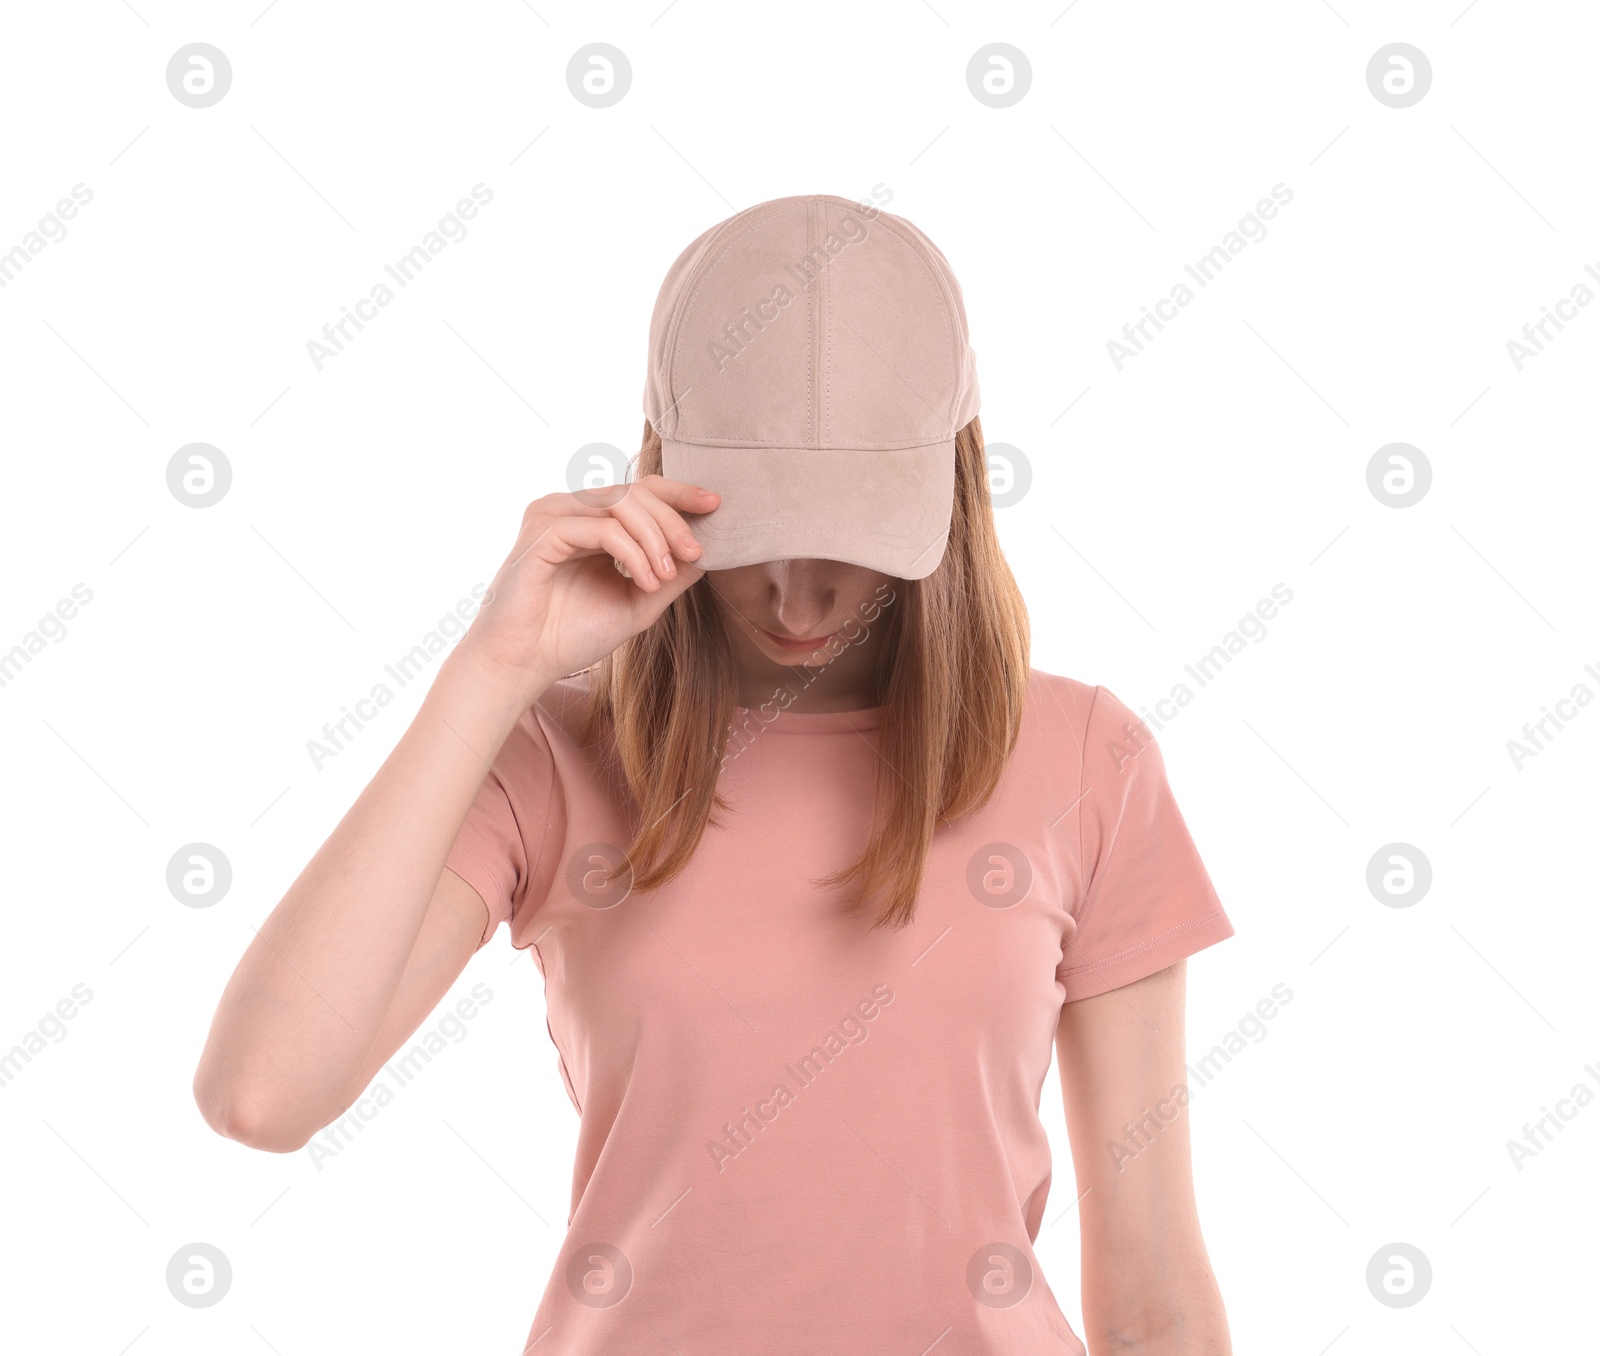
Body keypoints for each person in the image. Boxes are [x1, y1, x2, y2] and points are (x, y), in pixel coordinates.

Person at [193, 194, 1235, 1354]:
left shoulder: (1086, 759)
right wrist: (493, 671)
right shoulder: (554, 759)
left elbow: (1152, 1289)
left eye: (847, 541)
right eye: (752, 534)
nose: (797, 599)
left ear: (950, 489)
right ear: (657, 472)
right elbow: (262, 1095)